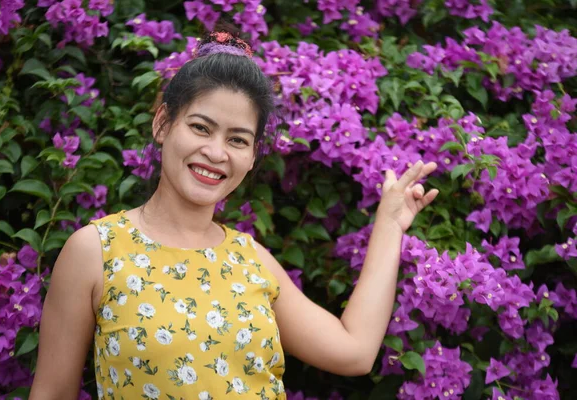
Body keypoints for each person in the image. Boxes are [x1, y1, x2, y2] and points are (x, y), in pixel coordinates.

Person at [29, 30, 439, 400]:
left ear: (252, 156)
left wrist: (388, 227)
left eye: (238, 139)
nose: (217, 152)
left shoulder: (249, 258)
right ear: (162, 124)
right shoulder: (96, 249)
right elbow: (53, 392)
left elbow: (354, 352)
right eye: (201, 128)